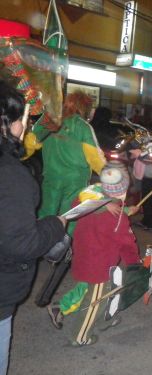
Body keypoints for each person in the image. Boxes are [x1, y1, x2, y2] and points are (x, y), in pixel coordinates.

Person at [0, 81, 66, 373]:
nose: (24, 127)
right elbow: (20, 241)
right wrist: (57, 224)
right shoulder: (10, 175)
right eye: (19, 120)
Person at [47, 163, 141, 346]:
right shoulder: (116, 216)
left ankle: (101, 318)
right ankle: (80, 336)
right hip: (100, 265)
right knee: (97, 300)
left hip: (83, 256)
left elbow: (99, 207)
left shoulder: (88, 203)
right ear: (122, 189)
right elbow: (126, 243)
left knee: (91, 290)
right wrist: (134, 263)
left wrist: (128, 211)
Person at [24, 91, 106, 235]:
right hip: (75, 181)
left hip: (51, 176)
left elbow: (30, 142)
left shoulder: (49, 119)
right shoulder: (83, 127)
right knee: (70, 215)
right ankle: (64, 248)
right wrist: (112, 178)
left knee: (47, 212)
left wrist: (15, 156)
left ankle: (42, 245)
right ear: (85, 108)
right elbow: (96, 158)